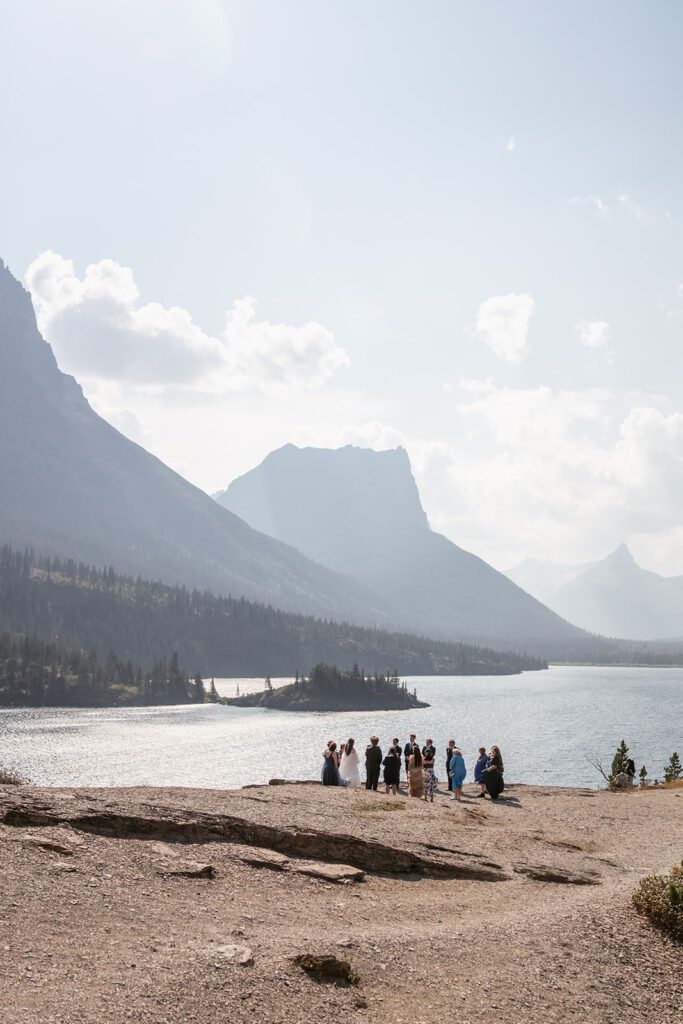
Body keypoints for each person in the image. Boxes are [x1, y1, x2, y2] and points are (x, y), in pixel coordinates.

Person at [422, 738, 437, 803]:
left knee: (426, 784)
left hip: (426, 771)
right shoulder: (433, 759)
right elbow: (432, 763)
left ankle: (425, 797)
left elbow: (423, 765)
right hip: (431, 771)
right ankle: (432, 798)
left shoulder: (424, 759)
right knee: (431, 784)